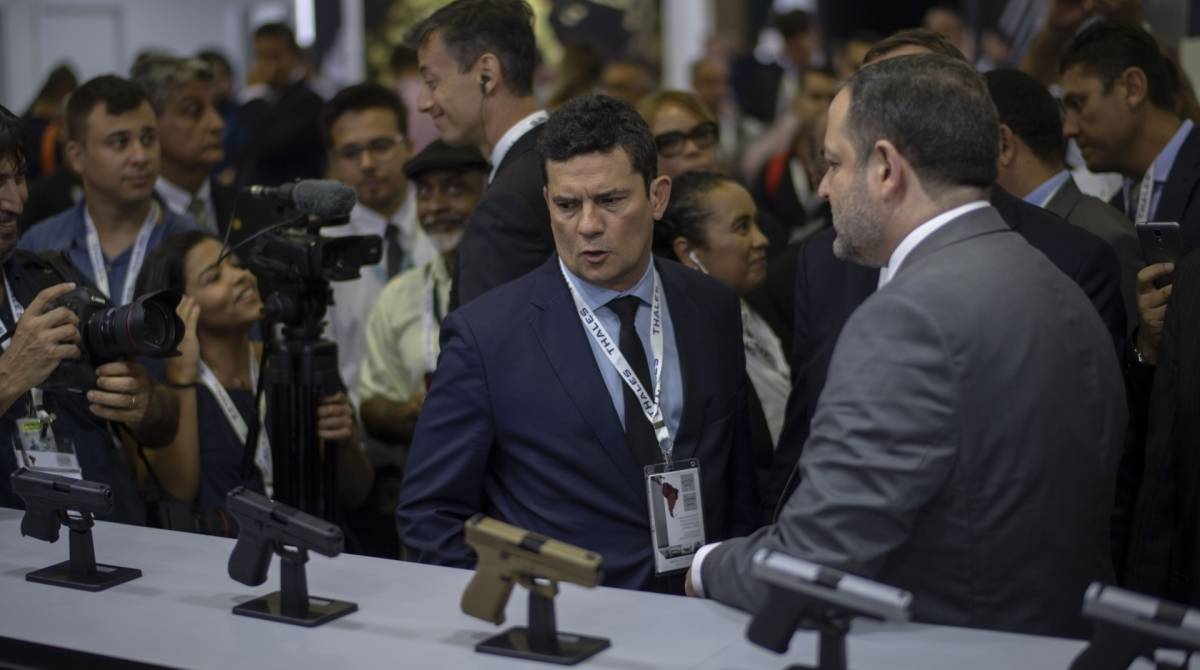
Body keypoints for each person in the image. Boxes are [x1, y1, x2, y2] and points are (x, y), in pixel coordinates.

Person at [688, 53, 1125, 639]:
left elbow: (811, 567)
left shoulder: (906, 319)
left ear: (887, 169)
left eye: (834, 163)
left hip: (948, 647)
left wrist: (707, 565)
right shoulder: (1057, 282)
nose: (822, 187)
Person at [397, 94, 760, 592]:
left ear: (657, 197)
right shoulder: (488, 336)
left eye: (611, 201)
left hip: (701, 607)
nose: (588, 225)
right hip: (567, 622)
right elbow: (429, 514)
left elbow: (740, 482)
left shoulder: (711, 306)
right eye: (567, 205)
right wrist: (517, 612)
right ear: (548, 202)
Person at [763, 29, 1128, 517]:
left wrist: (720, 559)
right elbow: (802, 448)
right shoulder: (824, 260)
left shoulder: (1065, 262)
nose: (824, 187)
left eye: (909, 93)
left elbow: (1092, 468)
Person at [0, 104, 179, 524]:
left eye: (19, 178)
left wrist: (145, 404)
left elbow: (164, 421)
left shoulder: (50, 278)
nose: (16, 200)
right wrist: (9, 376)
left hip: (110, 530)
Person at [132, 230, 374, 533]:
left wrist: (346, 442)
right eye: (214, 277)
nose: (241, 276)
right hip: (222, 555)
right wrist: (182, 377)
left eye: (237, 264)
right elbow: (177, 493)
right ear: (180, 310)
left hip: (312, 548)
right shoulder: (164, 387)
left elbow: (356, 492)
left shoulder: (295, 362)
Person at [354, 140, 487, 557]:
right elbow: (372, 406)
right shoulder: (400, 296)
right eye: (426, 193)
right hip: (429, 494)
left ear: (488, 193)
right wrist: (412, 414)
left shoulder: (516, 288)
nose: (436, 206)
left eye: (454, 189)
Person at [1059, 21, 1200, 368]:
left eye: (1079, 102)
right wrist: (1144, 348)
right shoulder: (1116, 207)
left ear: (1133, 88)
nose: (1069, 128)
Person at [406, 0, 550, 308]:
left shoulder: (508, 204)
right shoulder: (558, 157)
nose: (423, 102)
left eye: (432, 82)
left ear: (486, 74)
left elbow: (491, 333)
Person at [656, 171, 787, 498]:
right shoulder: (685, 350)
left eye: (756, 223)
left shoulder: (767, 305)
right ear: (688, 253)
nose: (761, 239)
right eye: (742, 227)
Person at [20, 75, 198, 307]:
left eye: (148, 139)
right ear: (77, 156)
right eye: (119, 142)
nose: (140, 156)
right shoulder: (38, 248)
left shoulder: (193, 245)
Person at [987, 68, 1141, 334]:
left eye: (968, 143)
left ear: (1004, 144)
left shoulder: (1106, 236)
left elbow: (1127, 353)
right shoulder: (995, 230)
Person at [322, 83, 431, 404]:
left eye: (380, 146)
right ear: (332, 162)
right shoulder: (321, 249)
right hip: (357, 424)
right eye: (350, 153)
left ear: (409, 146)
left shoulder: (446, 225)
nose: (367, 163)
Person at [132, 56, 235, 237]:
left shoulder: (243, 207)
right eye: (193, 112)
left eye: (216, 107)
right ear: (150, 125)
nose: (218, 124)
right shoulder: (128, 218)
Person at [236, 22, 326, 187]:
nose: (266, 65)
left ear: (295, 57)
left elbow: (268, 144)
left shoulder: (309, 102)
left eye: (274, 56)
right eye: (260, 57)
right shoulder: (262, 99)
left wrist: (255, 91)